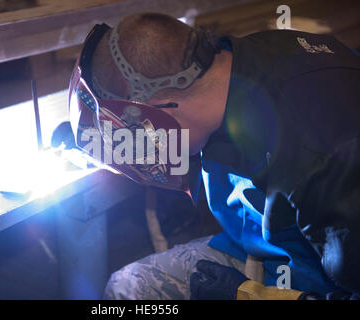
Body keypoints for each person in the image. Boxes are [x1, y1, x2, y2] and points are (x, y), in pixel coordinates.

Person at [68, 12, 360, 299]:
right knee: (131, 284)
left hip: (321, 279)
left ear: (161, 113)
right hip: (275, 246)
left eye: (142, 133)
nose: (147, 146)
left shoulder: (324, 157)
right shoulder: (232, 61)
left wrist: (252, 295)